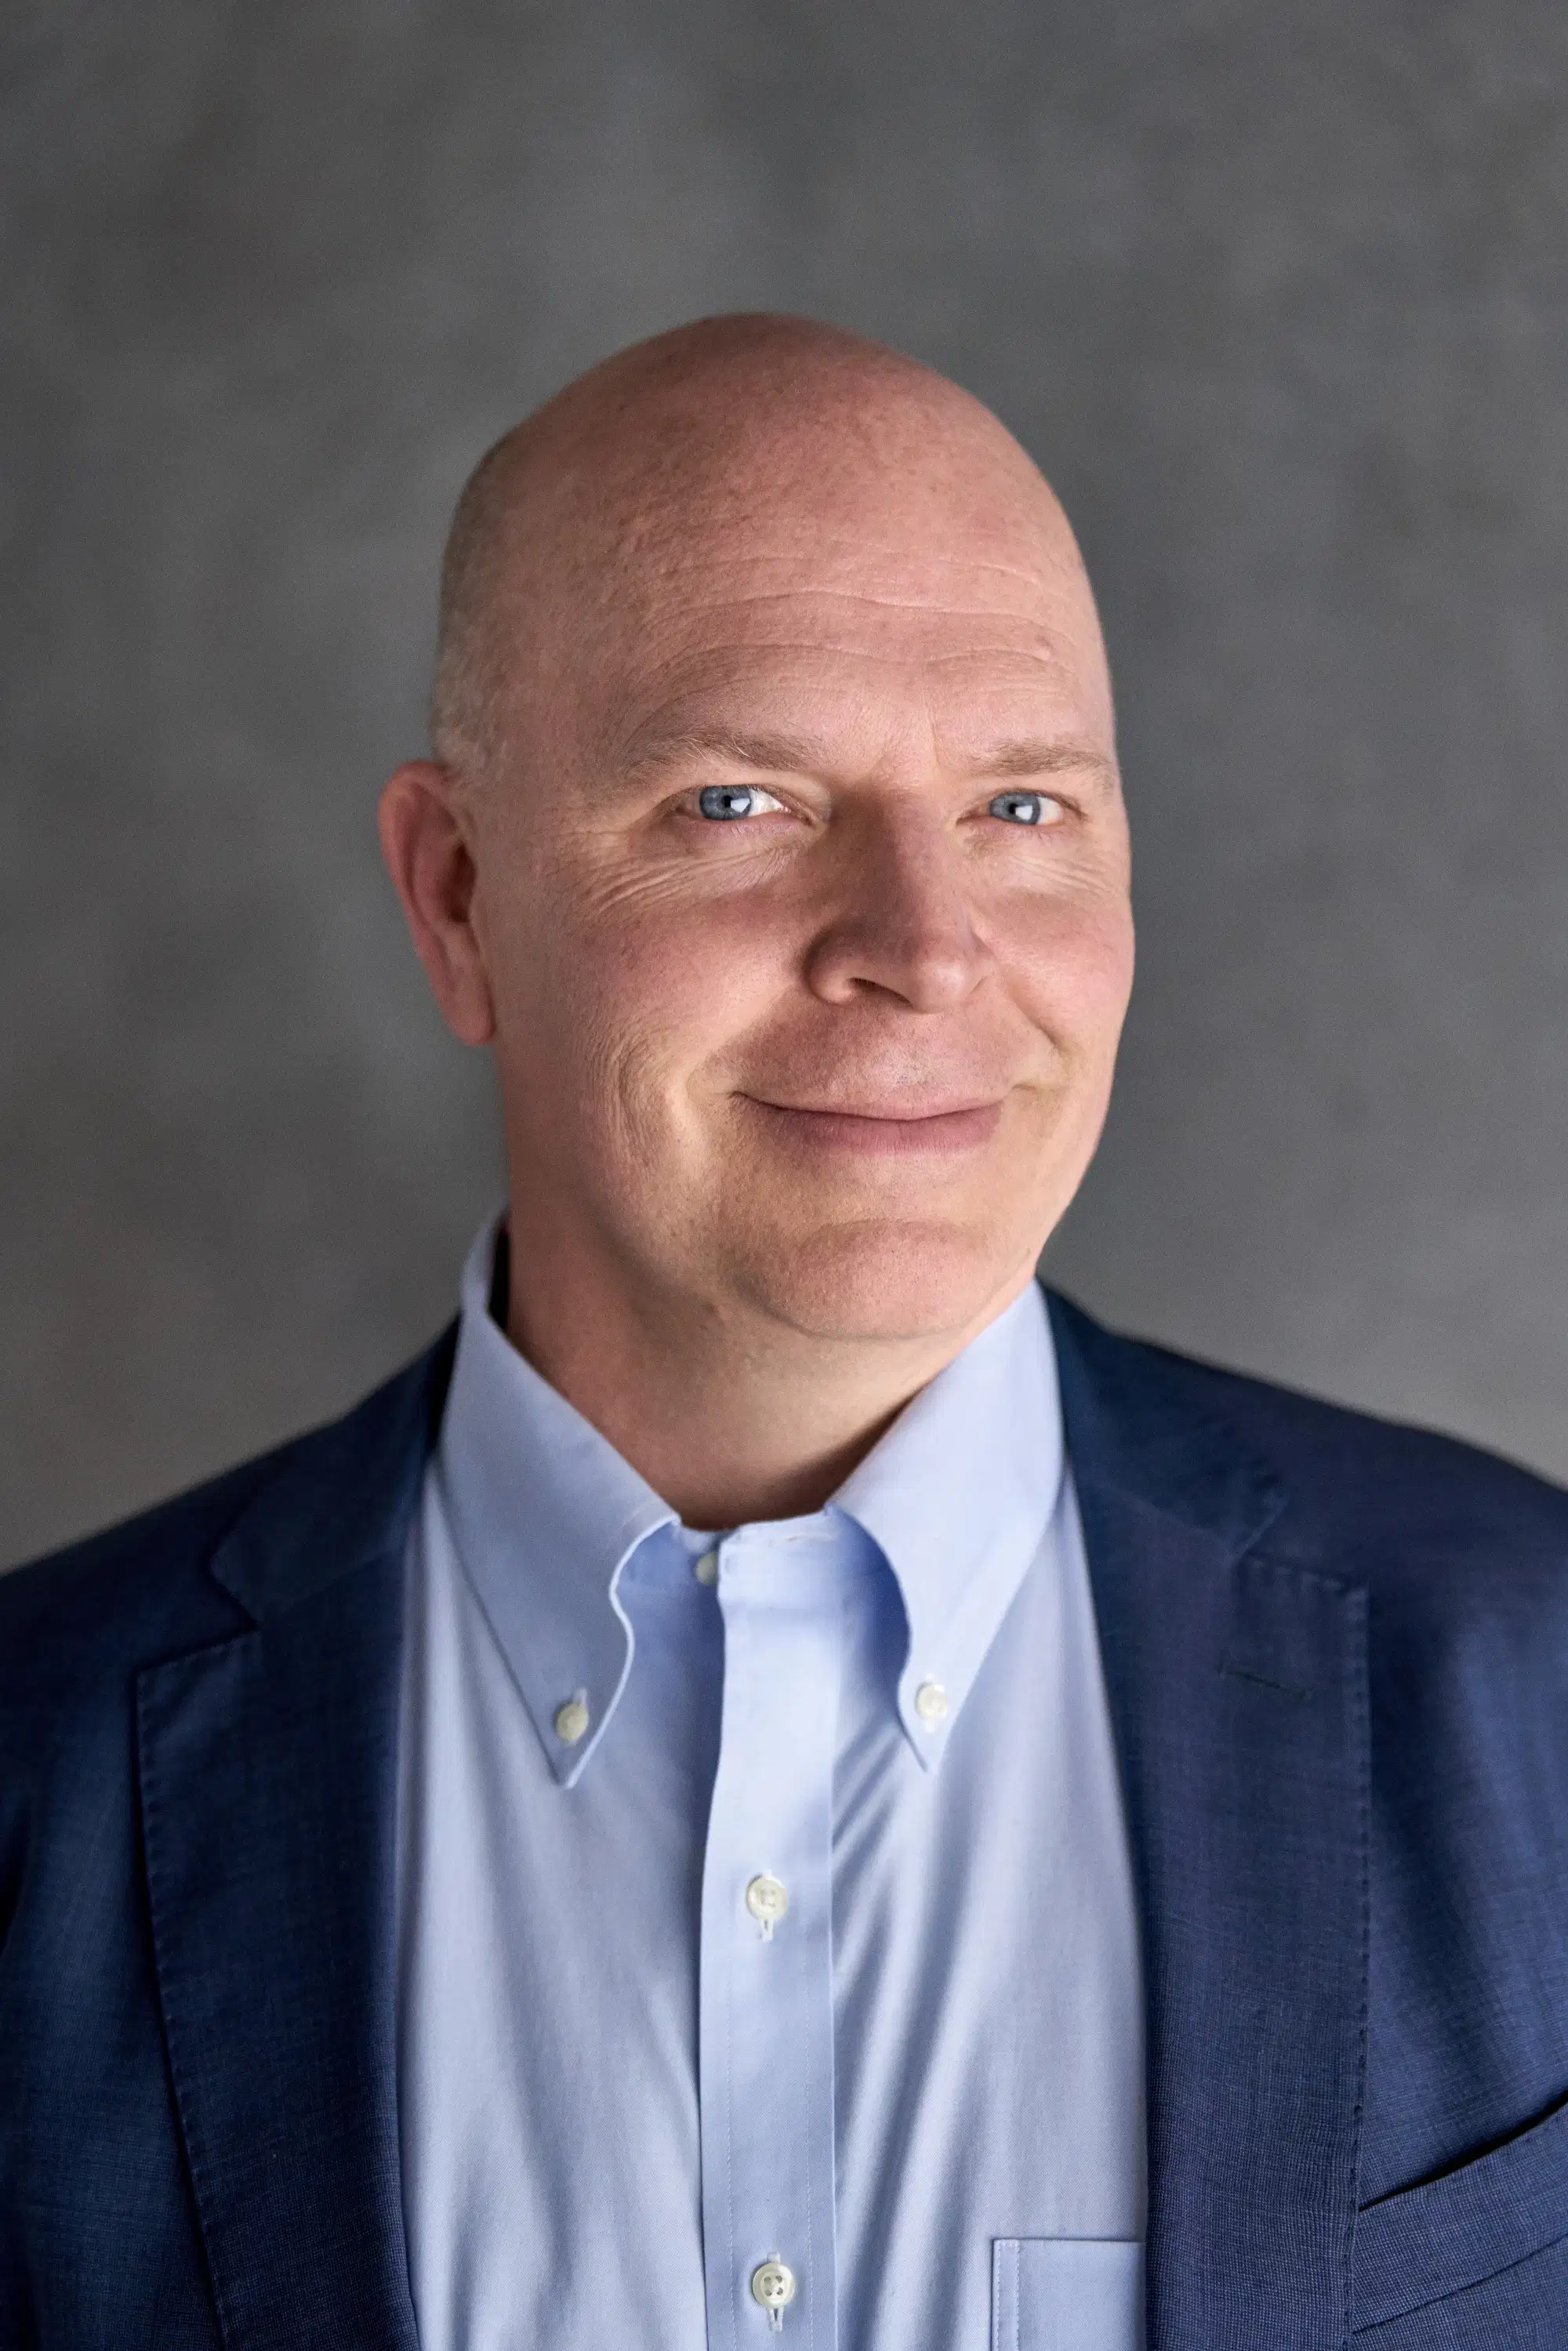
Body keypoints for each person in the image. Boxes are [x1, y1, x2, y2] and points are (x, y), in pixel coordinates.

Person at [2, 315, 1564, 2351]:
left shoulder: (1538, 1685)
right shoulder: (33, 1791)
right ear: (459, 893)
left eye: (1022, 807)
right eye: (742, 797)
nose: (924, 948)